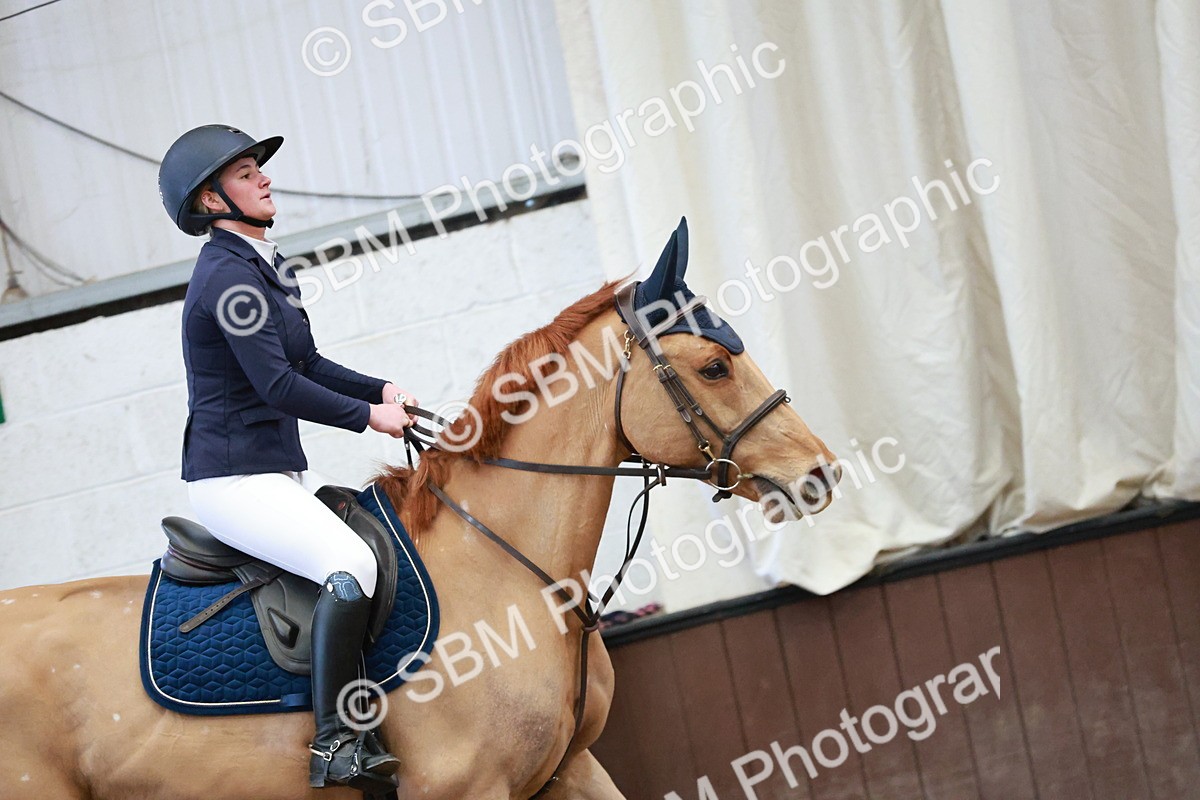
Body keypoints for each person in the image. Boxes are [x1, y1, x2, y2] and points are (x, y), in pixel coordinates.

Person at [158, 124, 415, 791]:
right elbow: (278, 386)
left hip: (278, 471)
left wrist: (380, 389)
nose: (265, 179)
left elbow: (308, 362)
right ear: (211, 200)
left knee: (385, 533)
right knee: (350, 565)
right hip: (234, 481)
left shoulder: (269, 266)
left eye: (258, 169)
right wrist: (369, 419)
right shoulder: (226, 278)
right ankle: (335, 743)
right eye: (246, 174)